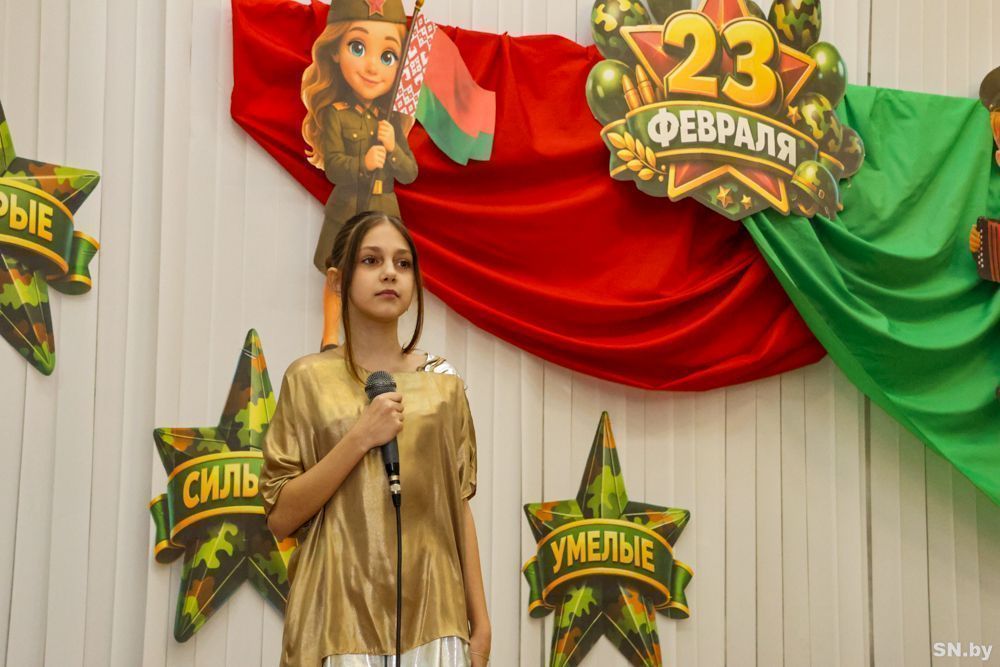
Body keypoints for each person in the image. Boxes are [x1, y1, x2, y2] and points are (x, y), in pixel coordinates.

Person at [260, 211, 491, 667]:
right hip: (336, 618)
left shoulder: (443, 383)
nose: (390, 273)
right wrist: (360, 437)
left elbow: (457, 506)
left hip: (435, 616)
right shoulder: (307, 379)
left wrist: (479, 623)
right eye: (371, 260)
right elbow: (281, 517)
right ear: (337, 279)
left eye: (403, 263)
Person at [302, 0, 420, 351]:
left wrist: (393, 148)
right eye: (357, 47)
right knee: (338, 272)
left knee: (386, 276)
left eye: (388, 56)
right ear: (335, 51)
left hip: (385, 208)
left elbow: (410, 173)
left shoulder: (391, 119)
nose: (372, 67)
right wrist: (363, 162)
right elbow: (334, 167)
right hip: (348, 206)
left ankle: (376, 341)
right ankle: (330, 337)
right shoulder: (337, 114)